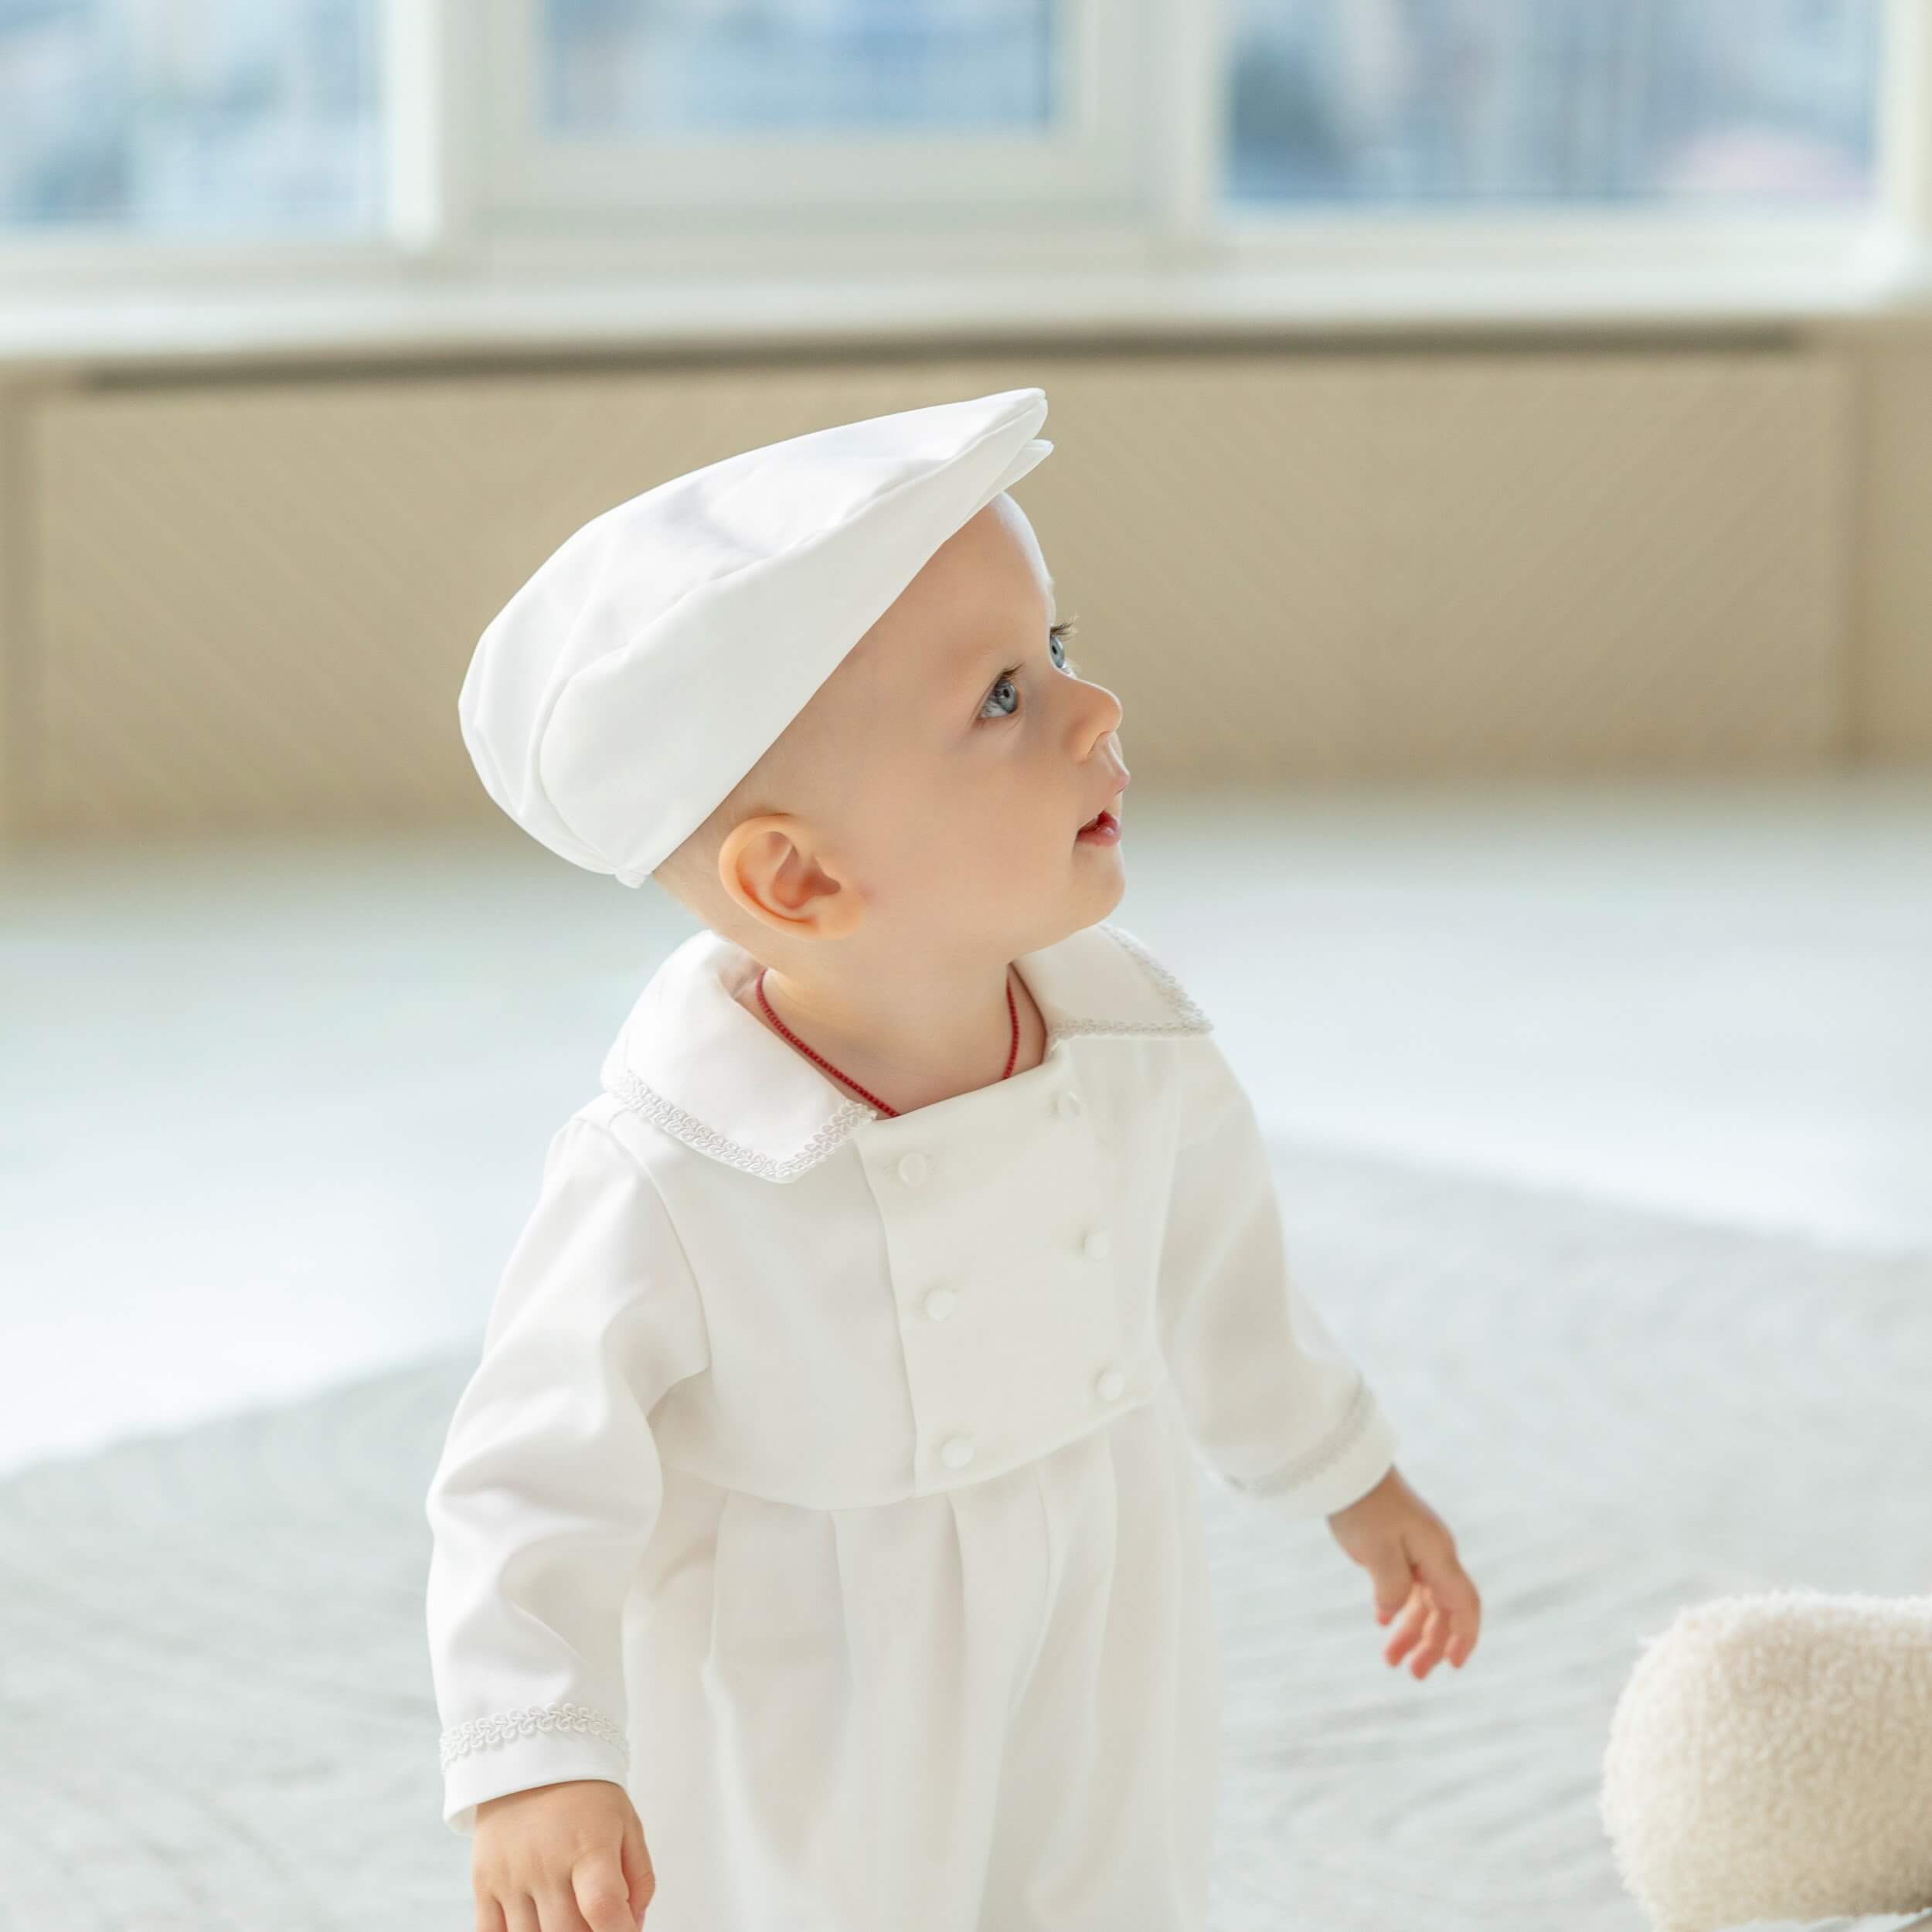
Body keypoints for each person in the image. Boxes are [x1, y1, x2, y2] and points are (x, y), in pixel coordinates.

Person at [424, 386, 1481, 1930]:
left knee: (1109, 1871)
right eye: (1001, 696)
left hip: (1098, 1581)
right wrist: (534, 1759)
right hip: (813, 1658)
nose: (1093, 704)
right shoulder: (674, 1169)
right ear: (796, 874)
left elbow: (1224, 1287)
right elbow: (530, 1474)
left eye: (1053, 649)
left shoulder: (1134, 1047)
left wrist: (1347, 1473)